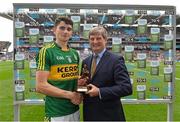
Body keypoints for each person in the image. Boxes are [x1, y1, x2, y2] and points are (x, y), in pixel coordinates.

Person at [79, 26, 132, 121]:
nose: (95, 42)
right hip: (90, 115)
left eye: (98, 38)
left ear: (105, 40)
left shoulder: (116, 60)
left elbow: (126, 87)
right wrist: (79, 87)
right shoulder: (86, 62)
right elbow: (86, 86)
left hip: (109, 116)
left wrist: (100, 92)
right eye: (92, 39)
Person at [36, 16, 82, 122]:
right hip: (56, 113)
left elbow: (76, 81)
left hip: (74, 110)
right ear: (54, 30)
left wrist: (80, 89)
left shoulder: (75, 54)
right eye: (62, 28)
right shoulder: (46, 51)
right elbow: (40, 86)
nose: (65, 31)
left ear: (71, 33)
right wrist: (71, 95)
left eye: (69, 29)